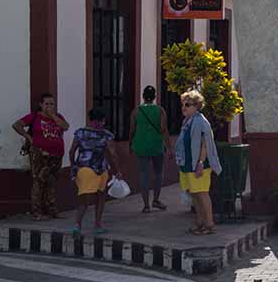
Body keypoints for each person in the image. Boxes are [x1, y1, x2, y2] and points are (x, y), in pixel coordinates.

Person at [13, 93, 69, 221]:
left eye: (52, 104)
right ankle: (37, 212)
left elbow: (66, 127)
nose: (49, 106)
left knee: (52, 182)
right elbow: (16, 125)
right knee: (38, 182)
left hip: (57, 154)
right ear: (41, 105)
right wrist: (29, 138)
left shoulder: (58, 117)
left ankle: (52, 210)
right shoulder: (34, 117)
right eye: (47, 104)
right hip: (40, 154)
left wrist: (53, 116)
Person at [175, 90, 222, 236]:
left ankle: (209, 224)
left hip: (199, 164)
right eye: (183, 104)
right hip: (188, 164)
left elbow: (205, 144)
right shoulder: (188, 122)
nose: (184, 107)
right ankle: (200, 223)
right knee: (194, 194)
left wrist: (200, 163)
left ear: (196, 106)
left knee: (202, 194)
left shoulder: (200, 122)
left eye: (187, 104)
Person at [68, 107, 119, 237]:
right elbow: (112, 155)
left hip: (82, 169)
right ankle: (97, 224)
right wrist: (117, 170)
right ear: (102, 121)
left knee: (83, 200)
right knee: (100, 197)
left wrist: (73, 166)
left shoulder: (80, 133)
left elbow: (72, 151)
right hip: (100, 169)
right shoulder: (106, 135)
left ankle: (77, 225)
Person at [130, 85, 171, 214]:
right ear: (154, 97)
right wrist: (169, 147)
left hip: (140, 145)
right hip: (156, 145)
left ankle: (146, 205)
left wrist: (130, 144)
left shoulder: (136, 111)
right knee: (158, 173)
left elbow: (132, 130)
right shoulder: (160, 110)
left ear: (143, 96)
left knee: (144, 174)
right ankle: (156, 199)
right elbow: (164, 130)